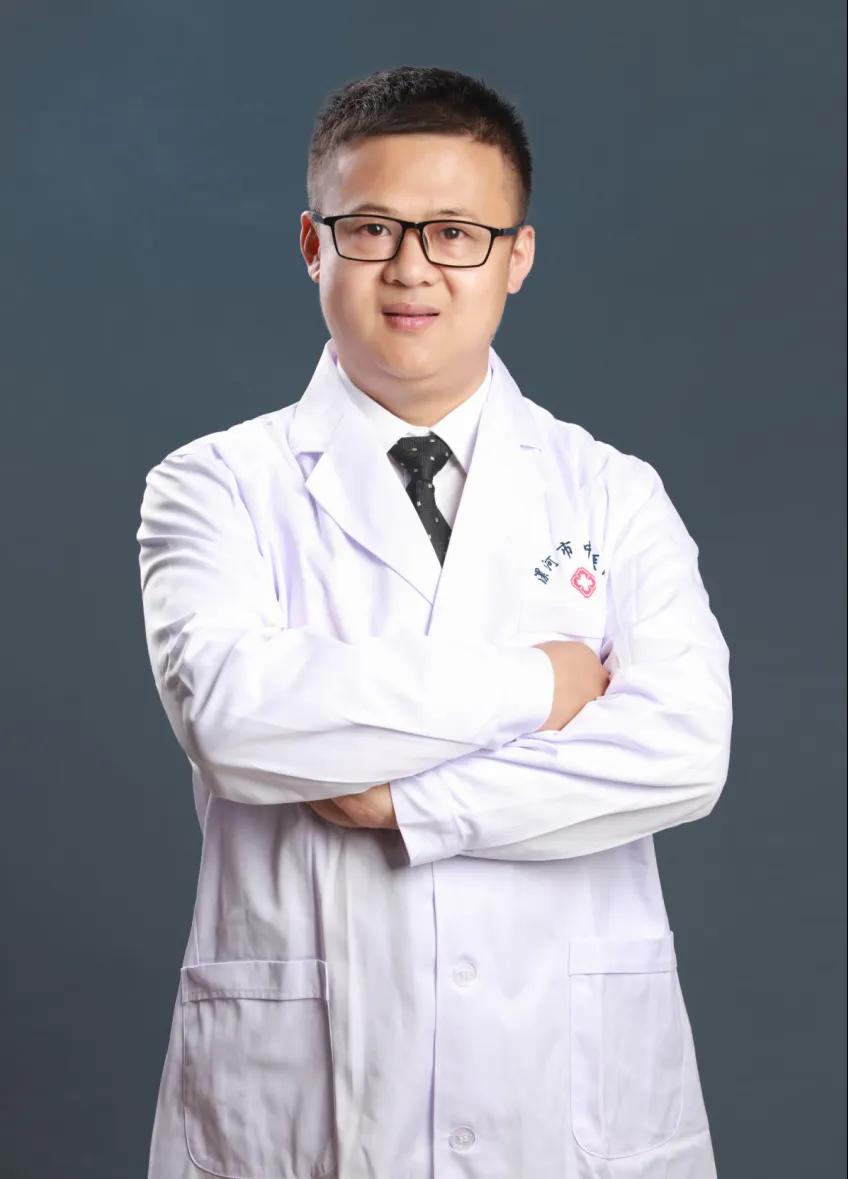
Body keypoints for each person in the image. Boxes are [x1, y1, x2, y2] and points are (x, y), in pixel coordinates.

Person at [137, 64, 732, 1179]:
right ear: (313, 245)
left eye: (456, 233)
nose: (412, 267)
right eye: (371, 229)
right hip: (309, 1096)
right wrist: (543, 683)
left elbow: (683, 750)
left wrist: (411, 804)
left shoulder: (612, 491)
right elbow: (237, 718)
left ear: (516, 256)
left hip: (566, 1093)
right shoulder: (213, 485)